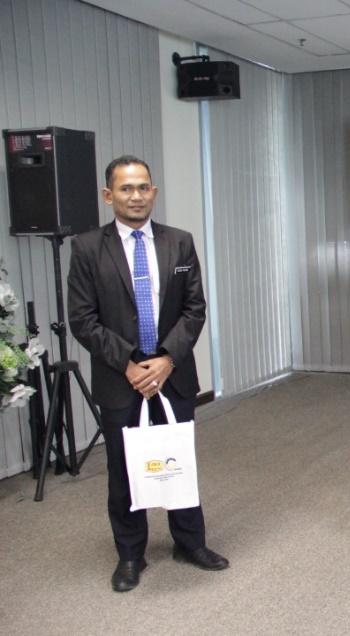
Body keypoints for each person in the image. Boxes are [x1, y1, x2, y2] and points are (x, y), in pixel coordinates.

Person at [68, 155, 228, 592]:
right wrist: (128, 364)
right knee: (124, 471)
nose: (136, 196)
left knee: (178, 462)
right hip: (120, 378)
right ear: (109, 195)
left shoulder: (179, 242)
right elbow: (83, 319)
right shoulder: (86, 248)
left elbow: (195, 309)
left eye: (143, 187)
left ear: (153, 192)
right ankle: (130, 555)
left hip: (172, 374)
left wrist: (168, 359)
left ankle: (190, 543)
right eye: (126, 188)